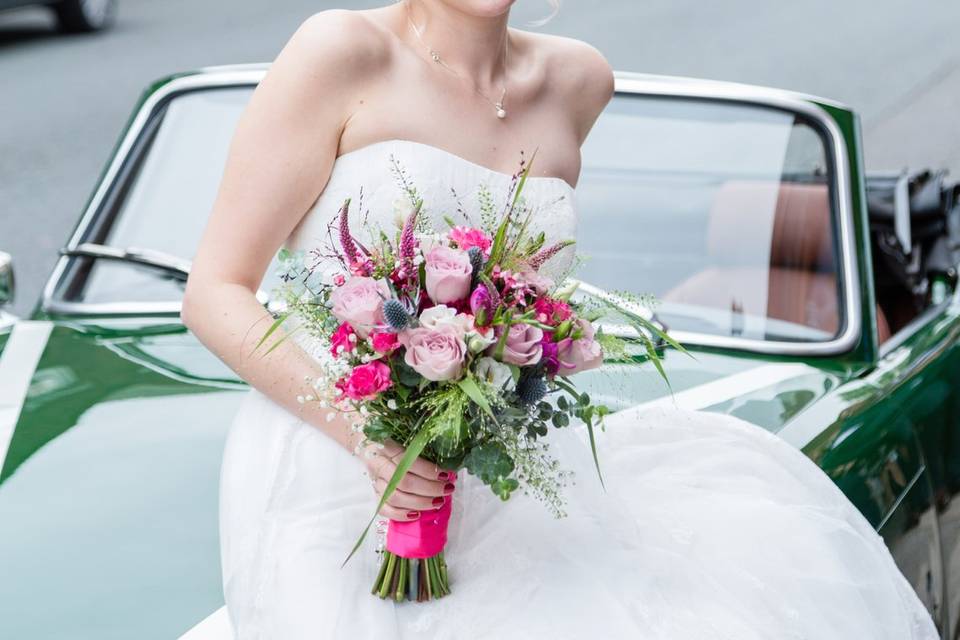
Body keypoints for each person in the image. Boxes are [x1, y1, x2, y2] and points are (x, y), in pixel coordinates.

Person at [180, 2, 940, 638]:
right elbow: (215, 288)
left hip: (502, 463)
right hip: (334, 459)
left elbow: (520, 286)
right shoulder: (339, 52)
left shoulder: (578, 80)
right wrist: (366, 434)